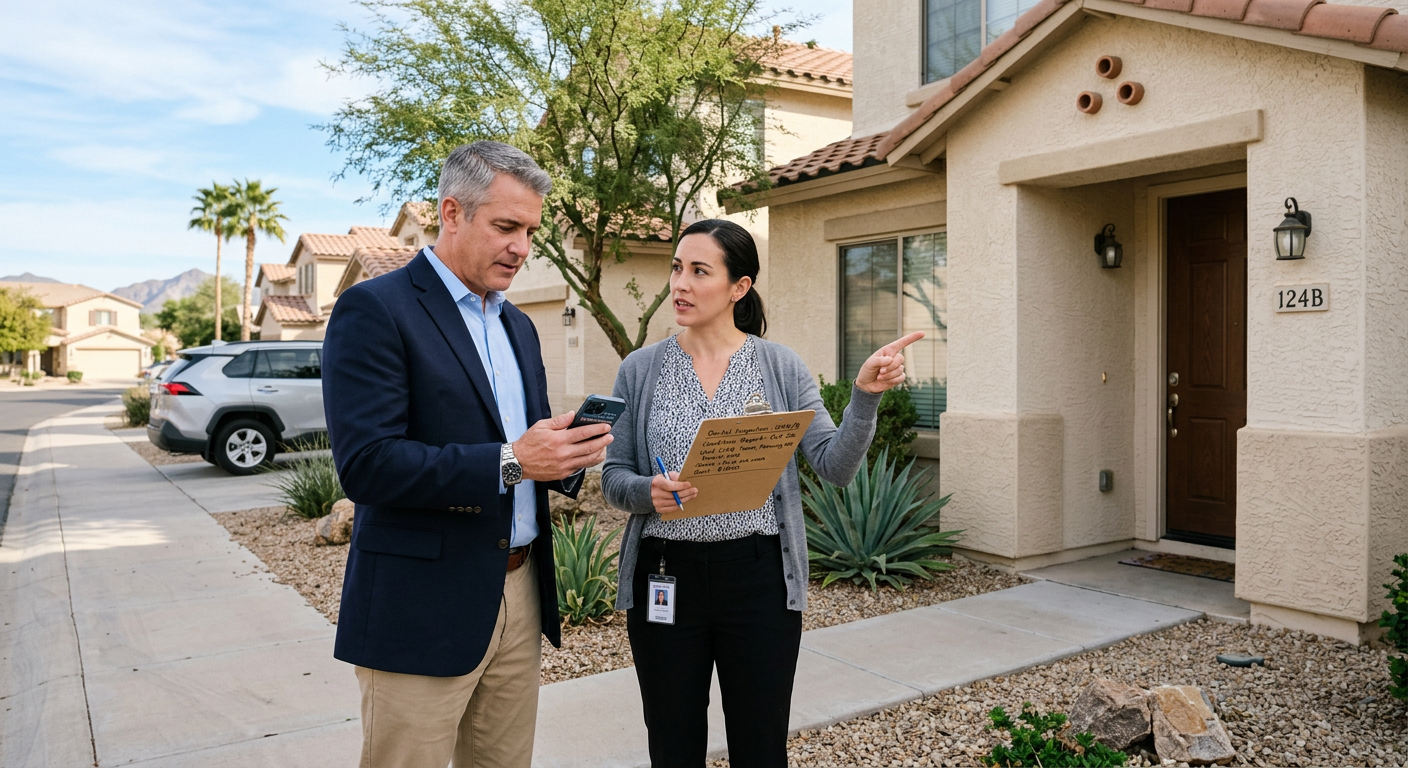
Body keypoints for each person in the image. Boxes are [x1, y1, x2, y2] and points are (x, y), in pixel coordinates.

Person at [322, 141, 613, 768]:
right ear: (451, 212)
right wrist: (514, 461)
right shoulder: (375, 309)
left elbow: (523, 448)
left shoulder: (519, 325)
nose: (522, 247)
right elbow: (368, 464)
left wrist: (562, 452)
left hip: (521, 591)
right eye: (506, 227)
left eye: (531, 231)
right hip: (421, 603)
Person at [601, 219, 921, 767]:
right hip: (665, 575)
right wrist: (644, 492)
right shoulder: (639, 369)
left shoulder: (779, 365)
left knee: (761, 744)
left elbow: (834, 466)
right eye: (677, 267)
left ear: (738, 287)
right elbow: (613, 477)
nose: (680, 283)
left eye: (700, 271)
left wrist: (865, 397)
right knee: (672, 743)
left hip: (758, 578)